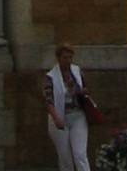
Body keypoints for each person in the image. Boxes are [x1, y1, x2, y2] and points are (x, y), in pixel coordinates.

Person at [44, 41, 97, 171]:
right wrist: (56, 118)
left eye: (70, 57)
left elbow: (85, 89)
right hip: (60, 117)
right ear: (58, 58)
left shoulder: (76, 71)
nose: (68, 61)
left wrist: (82, 91)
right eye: (65, 58)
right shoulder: (51, 77)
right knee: (65, 157)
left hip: (77, 116)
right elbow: (49, 100)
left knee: (80, 154)